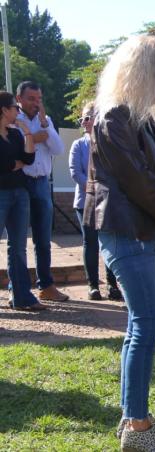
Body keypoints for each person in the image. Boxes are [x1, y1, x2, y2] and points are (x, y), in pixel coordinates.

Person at [85, 35, 155, 451]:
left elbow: (151, 178)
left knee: (139, 325)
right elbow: (140, 183)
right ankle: (138, 430)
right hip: (125, 231)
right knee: (148, 324)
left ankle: (135, 419)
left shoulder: (133, 116)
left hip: (138, 229)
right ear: (143, 74)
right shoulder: (114, 117)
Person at [15, 81, 69, 302]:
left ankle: (46, 285)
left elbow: (58, 149)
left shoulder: (44, 121)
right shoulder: (11, 120)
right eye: (31, 99)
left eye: (39, 99)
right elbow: (15, 148)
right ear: (19, 99)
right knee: (17, 241)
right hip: (19, 182)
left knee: (43, 239)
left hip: (41, 183)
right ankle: (17, 289)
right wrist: (34, 138)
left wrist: (45, 125)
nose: (36, 103)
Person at [68, 101, 120, 301]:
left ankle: (112, 285)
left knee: (108, 242)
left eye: (88, 117)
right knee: (90, 243)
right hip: (85, 202)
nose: (85, 122)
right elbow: (76, 173)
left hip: (106, 201)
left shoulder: (108, 142)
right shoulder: (78, 145)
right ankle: (93, 286)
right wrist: (94, 189)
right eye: (83, 118)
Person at [1, 91, 43, 311]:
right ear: (4, 110)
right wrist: (11, 165)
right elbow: (6, 165)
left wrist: (27, 131)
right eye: (14, 107)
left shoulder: (16, 134)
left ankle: (22, 297)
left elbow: (28, 159)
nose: (18, 110)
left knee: (18, 247)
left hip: (20, 193)